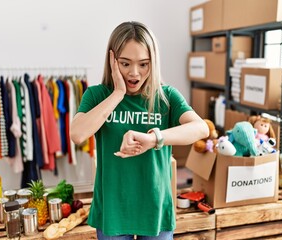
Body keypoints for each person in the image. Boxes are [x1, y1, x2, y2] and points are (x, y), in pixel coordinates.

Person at [70, 21, 209, 240]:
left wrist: (155, 138)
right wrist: (117, 94)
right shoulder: (97, 96)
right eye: (125, 64)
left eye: (144, 64)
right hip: (112, 211)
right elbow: (77, 134)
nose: (134, 73)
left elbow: (201, 129)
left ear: (153, 62)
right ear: (112, 60)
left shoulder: (166, 96)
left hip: (155, 207)